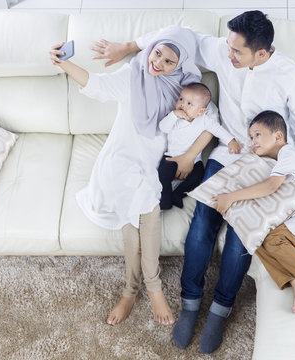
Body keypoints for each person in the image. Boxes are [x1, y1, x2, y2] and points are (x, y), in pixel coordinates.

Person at [92, 10, 295, 353]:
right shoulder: (224, 50)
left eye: (237, 52)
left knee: (239, 241)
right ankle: (191, 303)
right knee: (200, 228)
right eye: (228, 47)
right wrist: (129, 46)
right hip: (225, 154)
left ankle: (221, 309)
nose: (228, 55)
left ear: (262, 53)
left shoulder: (288, 76)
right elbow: (178, 33)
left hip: (262, 166)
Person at [49, 26, 208, 326]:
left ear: (181, 65)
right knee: (137, 208)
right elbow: (95, 84)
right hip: (121, 159)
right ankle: (146, 289)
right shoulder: (133, 75)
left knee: (144, 205)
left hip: (151, 166)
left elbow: (210, 122)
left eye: (169, 61)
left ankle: (135, 290)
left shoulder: (188, 92)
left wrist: (189, 155)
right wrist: (62, 62)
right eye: (157, 52)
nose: (157, 62)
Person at [214, 110, 295, 315]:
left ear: (278, 136)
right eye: (251, 137)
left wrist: (232, 197)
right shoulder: (275, 162)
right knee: (254, 234)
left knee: (274, 240)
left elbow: (271, 187)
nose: (253, 141)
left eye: (257, 135)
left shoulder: (288, 153)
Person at [158, 82, 242, 210]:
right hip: (172, 157)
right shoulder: (175, 118)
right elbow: (163, 127)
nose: (182, 105)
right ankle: (165, 198)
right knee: (163, 174)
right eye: (181, 99)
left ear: (201, 111)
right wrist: (173, 115)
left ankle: (178, 194)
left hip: (194, 162)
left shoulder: (204, 121)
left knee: (198, 177)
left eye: (189, 104)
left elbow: (218, 130)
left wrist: (231, 141)